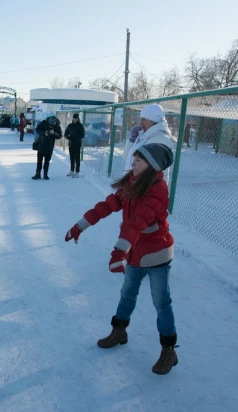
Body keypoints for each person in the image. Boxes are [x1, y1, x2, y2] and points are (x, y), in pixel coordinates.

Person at [65, 143, 178, 375]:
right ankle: (120, 331)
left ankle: (169, 350)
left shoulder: (158, 188)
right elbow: (107, 206)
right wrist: (80, 226)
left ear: (152, 165)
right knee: (127, 293)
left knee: (161, 302)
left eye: (139, 159)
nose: (133, 162)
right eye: (134, 158)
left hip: (156, 253)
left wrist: (119, 251)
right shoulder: (131, 182)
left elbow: (137, 222)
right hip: (136, 250)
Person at [123, 104, 174, 180]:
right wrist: (132, 141)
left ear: (154, 120)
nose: (140, 123)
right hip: (132, 183)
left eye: (144, 119)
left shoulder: (161, 140)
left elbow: (154, 173)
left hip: (145, 187)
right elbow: (126, 158)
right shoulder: (144, 136)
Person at [32, 115, 62, 180]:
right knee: (39, 160)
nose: (51, 126)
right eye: (50, 124)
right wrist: (44, 133)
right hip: (41, 144)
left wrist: (54, 133)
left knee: (47, 161)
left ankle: (45, 174)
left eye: (52, 125)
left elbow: (59, 136)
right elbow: (37, 129)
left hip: (50, 146)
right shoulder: (44, 122)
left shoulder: (57, 126)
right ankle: (38, 174)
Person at [64, 113, 85, 177]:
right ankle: (72, 171)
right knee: (72, 158)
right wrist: (68, 137)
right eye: (74, 118)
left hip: (77, 144)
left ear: (78, 119)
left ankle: (77, 172)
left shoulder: (80, 126)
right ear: (72, 119)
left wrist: (76, 138)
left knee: (77, 158)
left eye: (76, 118)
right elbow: (65, 134)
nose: (75, 119)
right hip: (71, 144)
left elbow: (82, 135)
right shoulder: (70, 125)